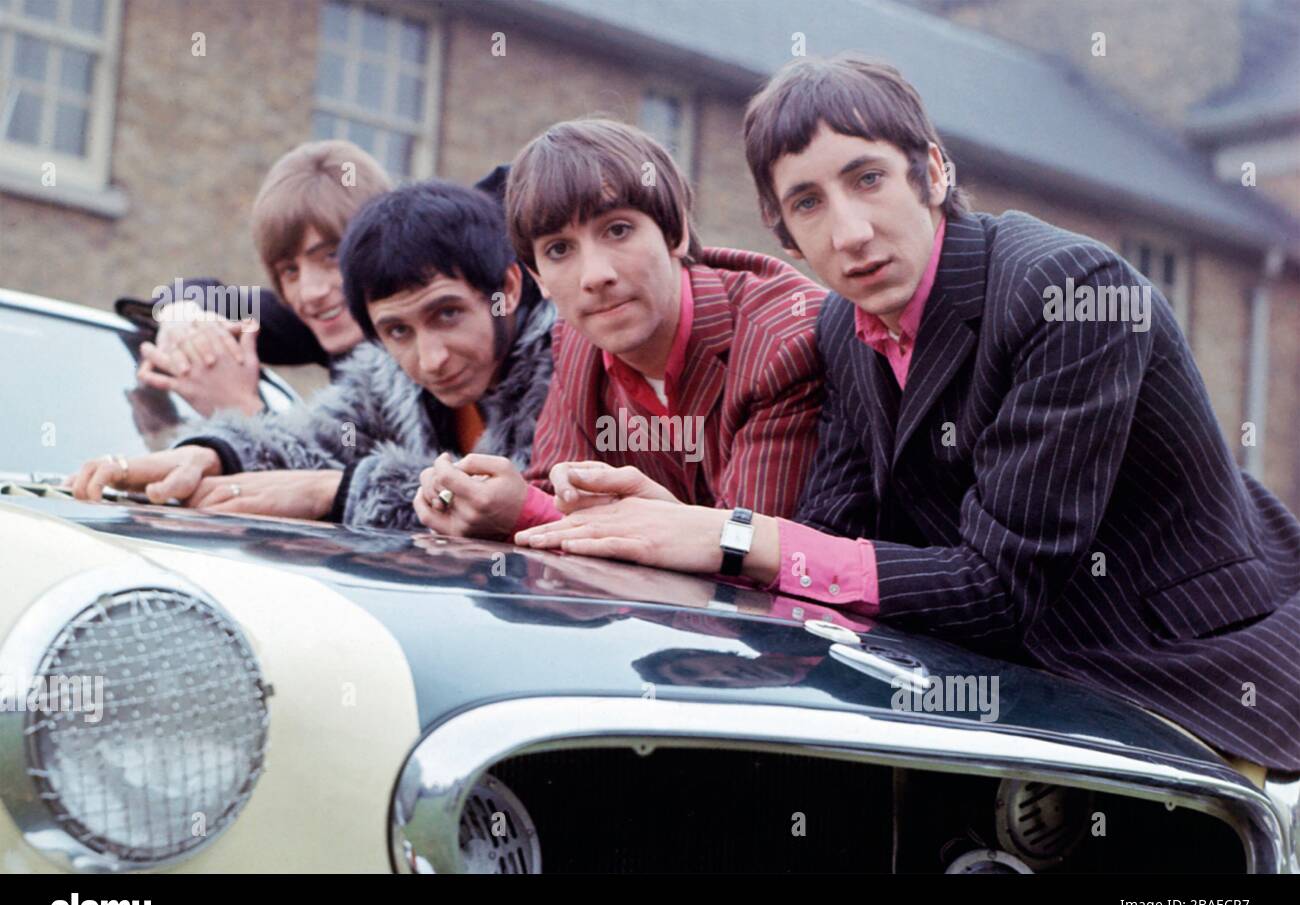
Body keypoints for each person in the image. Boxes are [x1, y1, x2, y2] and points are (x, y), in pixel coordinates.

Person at [514, 55, 1300, 777]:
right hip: (991, 674)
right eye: (808, 204)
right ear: (783, 231)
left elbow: (999, 584)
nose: (849, 233)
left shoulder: (1070, 294)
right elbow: (834, 530)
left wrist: (729, 535)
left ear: (932, 170)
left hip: (1182, 661)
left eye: (868, 180)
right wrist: (694, 531)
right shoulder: (842, 327)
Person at [413, 118, 825, 540]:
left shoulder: (779, 343)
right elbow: (561, 491)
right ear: (538, 278)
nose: (594, 276)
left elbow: (745, 551)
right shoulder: (576, 337)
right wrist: (474, 498)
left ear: (676, 232)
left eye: (618, 230)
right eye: (559, 250)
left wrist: (525, 513)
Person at [67, 178, 555, 531]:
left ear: (507, 287)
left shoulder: (569, 369)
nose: (431, 360)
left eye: (447, 314)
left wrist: (334, 490)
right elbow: (312, 440)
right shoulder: (384, 376)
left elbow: (536, 512)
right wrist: (212, 452)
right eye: (398, 330)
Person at [121, 140, 395, 418]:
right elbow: (208, 297)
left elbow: (340, 460)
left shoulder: (427, 367)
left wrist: (239, 408)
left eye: (331, 256)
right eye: (290, 270)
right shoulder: (324, 318)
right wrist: (183, 319)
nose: (311, 291)